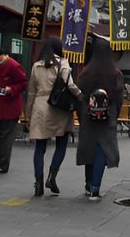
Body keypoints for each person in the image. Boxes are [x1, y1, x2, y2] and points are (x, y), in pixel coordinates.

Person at [25, 37, 82, 197]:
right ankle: (52, 176)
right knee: (61, 143)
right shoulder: (63, 63)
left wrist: (28, 114)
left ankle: (38, 183)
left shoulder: (36, 66)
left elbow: (31, 92)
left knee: (40, 147)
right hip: (59, 107)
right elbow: (69, 84)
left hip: (40, 106)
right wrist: (80, 96)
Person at [76, 37, 124, 201]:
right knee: (103, 149)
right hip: (107, 116)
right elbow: (119, 98)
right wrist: (114, 116)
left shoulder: (85, 73)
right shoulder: (115, 74)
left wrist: (81, 115)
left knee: (89, 147)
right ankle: (95, 188)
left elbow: (79, 96)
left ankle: (88, 184)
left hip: (87, 115)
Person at [0, 43, 27, 173]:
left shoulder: (13, 65)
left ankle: (2, 164)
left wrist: (11, 89)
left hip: (10, 106)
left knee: (5, 136)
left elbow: (23, 83)